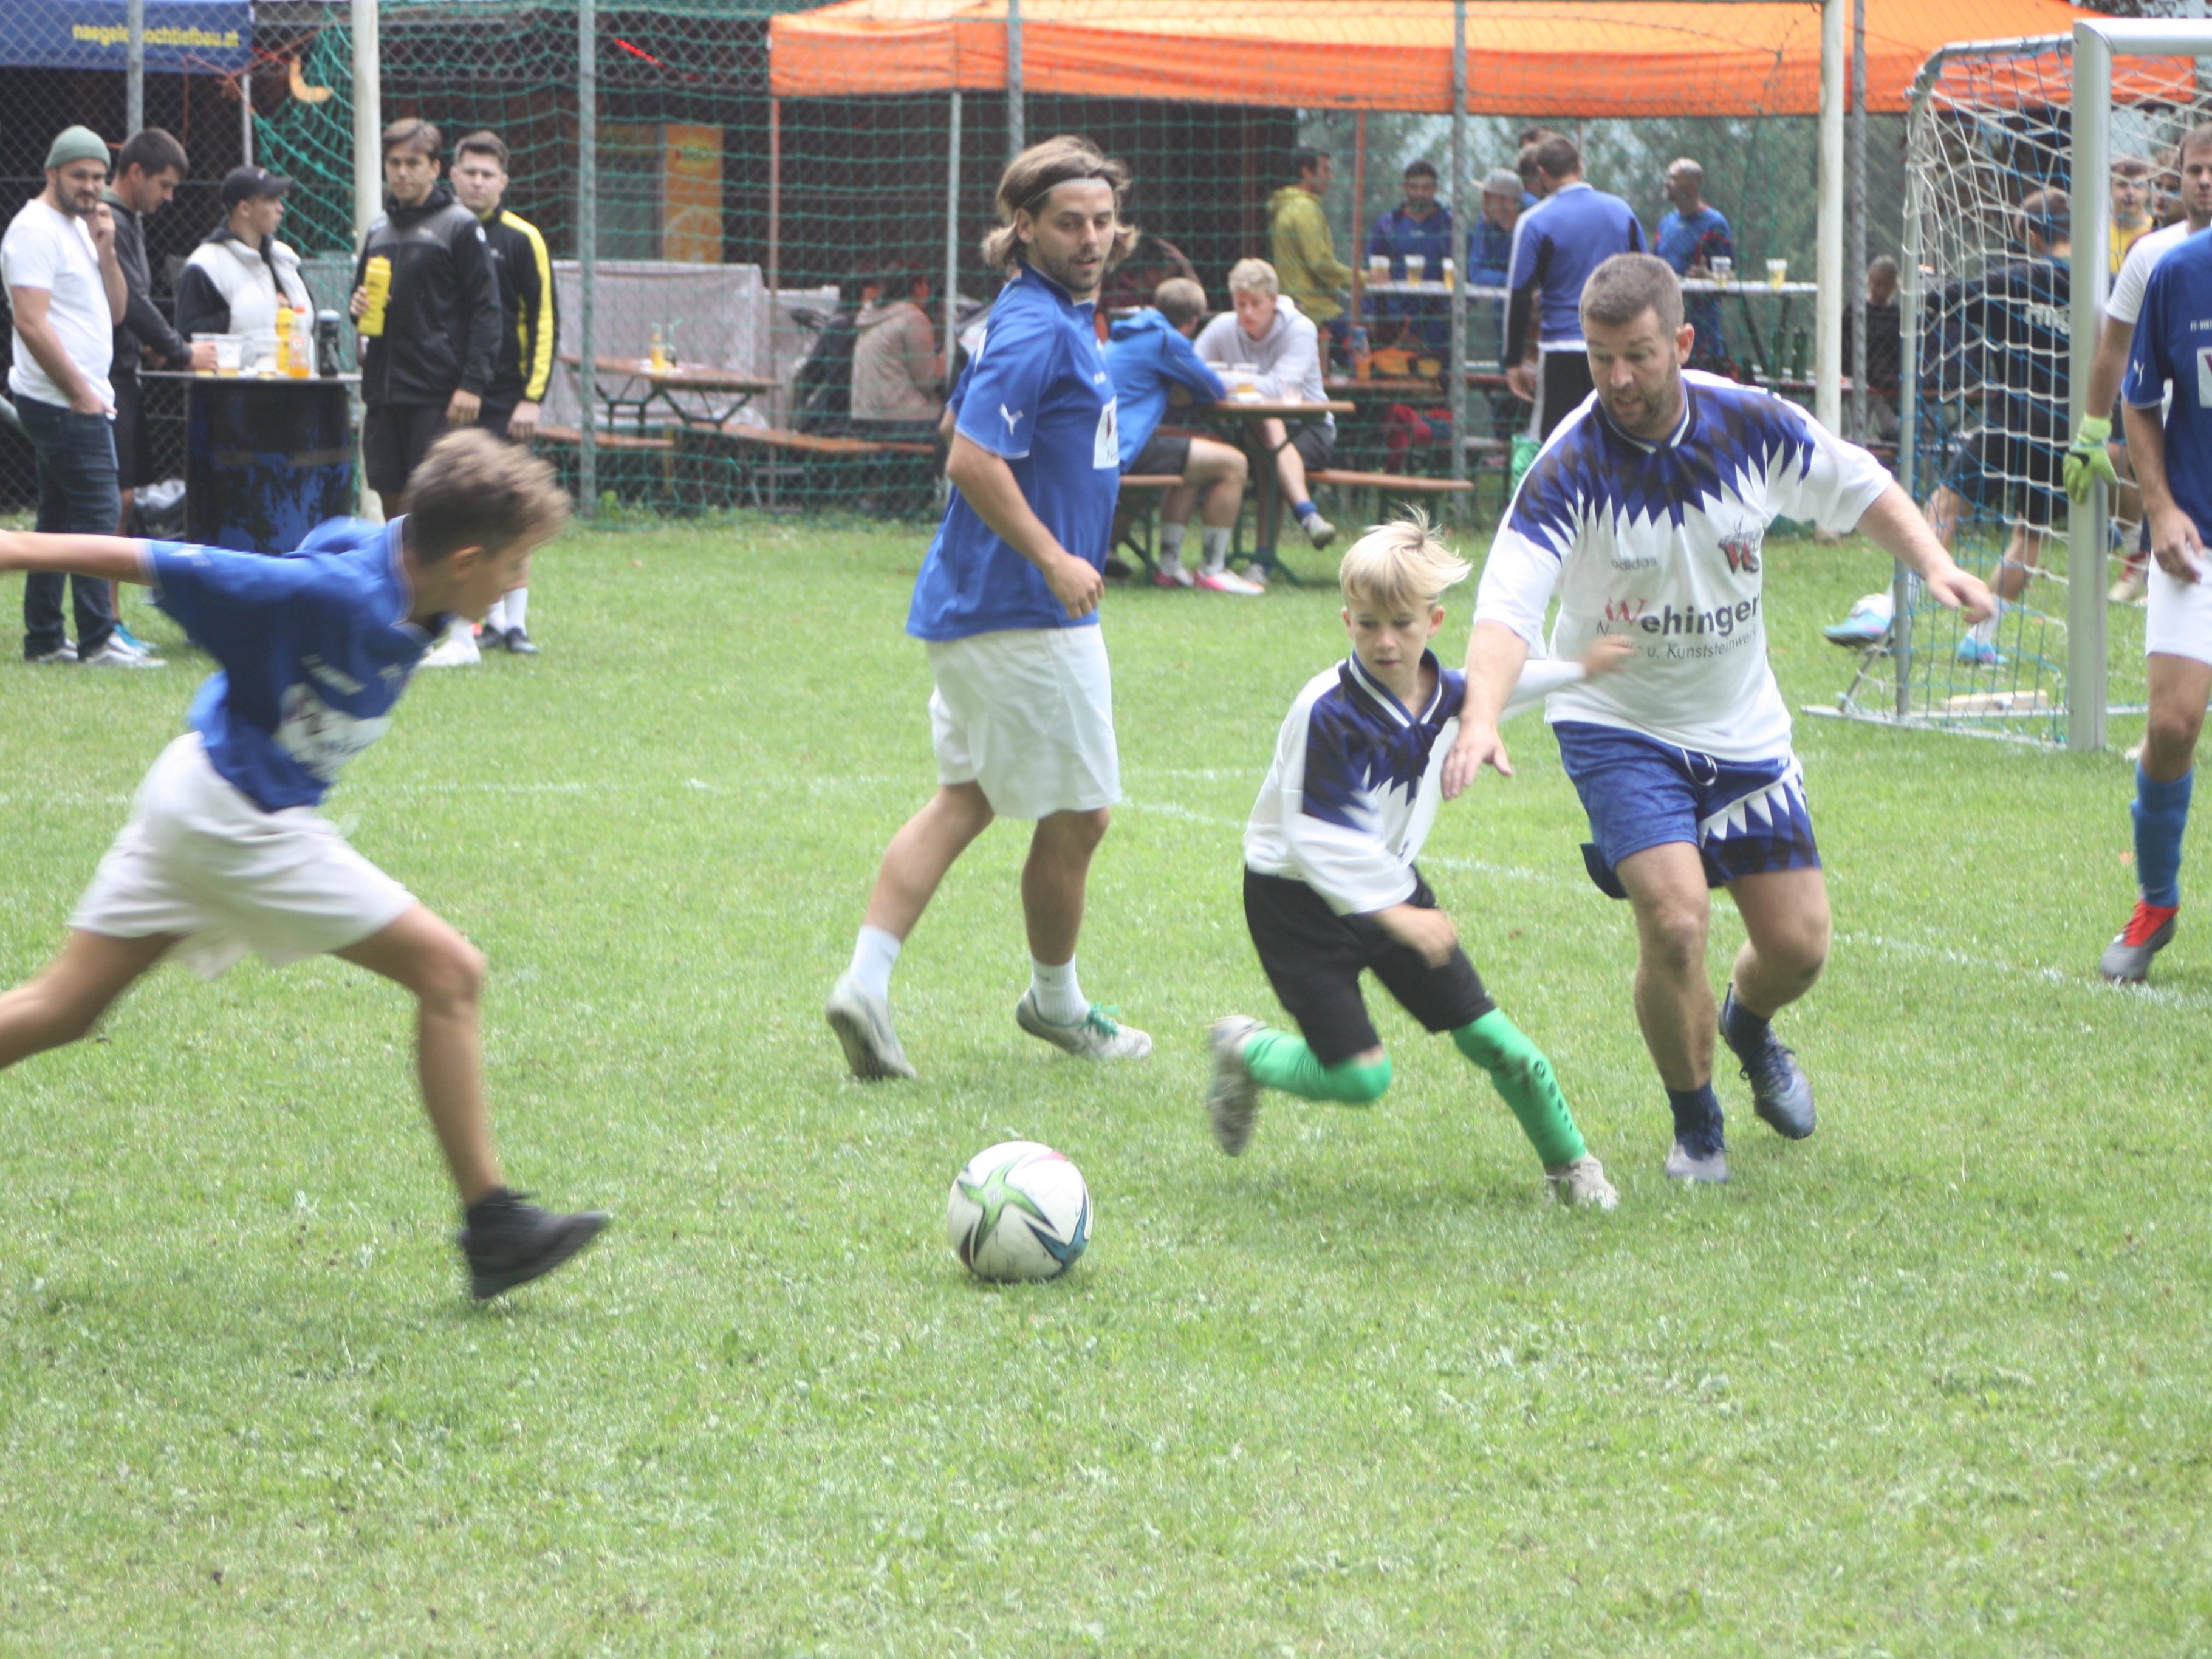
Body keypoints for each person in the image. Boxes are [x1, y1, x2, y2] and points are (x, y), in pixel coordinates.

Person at [0, 430, 605, 1299]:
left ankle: (495, 1226)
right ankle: (495, 1225)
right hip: (239, 817)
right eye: (516, 564)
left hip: (198, 785)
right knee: (452, 971)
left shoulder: (411, 570)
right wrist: (16, 546)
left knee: (60, 1008)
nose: (520, 582)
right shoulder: (330, 592)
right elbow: (167, 558)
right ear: (466, 558)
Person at [1442, 255, 1993, 1183]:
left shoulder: (1750, 423)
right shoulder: (1567, 465)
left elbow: (1859, 485)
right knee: (1675, 919)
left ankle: (1747, 1022)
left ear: (1682, 343)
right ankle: (1696, 1125)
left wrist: (1933, 565)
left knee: (1797, 946)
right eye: (1603, 358)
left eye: (1640, 356)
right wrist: (1482, 714)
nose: (1618, 379)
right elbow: (1505, 609)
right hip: (1617, 723)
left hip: (1741, 727)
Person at [824, 136, 1152, 1080]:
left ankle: (865, 983)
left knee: (964, 800)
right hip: (1024, 612)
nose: (1091, 238)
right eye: (1068, 223)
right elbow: (968, 455)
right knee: (1082, 813)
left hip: (972, 607)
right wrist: (1053, 555)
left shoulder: (1037, 315)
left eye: (1102, 221)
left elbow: (963, 420)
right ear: (1024, 226)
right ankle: (1057, 1006)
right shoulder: (1036, 324)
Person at [1204, 513, 1623, 1210]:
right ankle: (1245, 1052)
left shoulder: (1446, 692)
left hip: (1388, 887)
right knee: (1361, 1079)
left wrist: (1582, 667)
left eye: (1400, 622)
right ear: (1346, 620)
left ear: (1433, 621)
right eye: (1367, 624)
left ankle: (1571, 1167)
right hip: (1296, 901)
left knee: (1498, 1041)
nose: (1384, 640)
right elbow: (1317, 840)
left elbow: (1500, 688)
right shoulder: (1326, 711)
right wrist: (1398, 915)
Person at [2095, 215, 2212, 985]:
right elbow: (2137, 401)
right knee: (2170, 724)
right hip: (2193, 539)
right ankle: (2156, 902)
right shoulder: (2177, 271)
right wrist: (2159, 509)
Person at [1, 125, 145, 668]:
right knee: (99, 510)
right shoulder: (34, 230)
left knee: (58, 519)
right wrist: (81, 393)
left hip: (83, 397)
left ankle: (43, 639)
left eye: (98, 178)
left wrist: (107, 251)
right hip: (64, 401)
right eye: (79, 176)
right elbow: (31, 323)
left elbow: (115, 311)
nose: (90, 187)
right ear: (52, 174)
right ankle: (98, 639)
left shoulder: (82, 229)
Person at [1919, 187, 2070, 667]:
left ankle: (1893, 610)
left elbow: (1942, 300)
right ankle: (1981, 638)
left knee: (1945, 503)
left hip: (2009, 422)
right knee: (2030, 535)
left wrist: (1925, 279)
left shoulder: (2012, 280)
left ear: (2029, 233)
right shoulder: (2102, 284)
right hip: (2064, 432)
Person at [2066, 124, 2212, 606]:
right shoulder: (2150, 255)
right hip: (2171, 419)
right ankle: (2149, 557)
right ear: (2178, 177)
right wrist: (2091, 426)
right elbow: (2113, 347)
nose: (2205, 180)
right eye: (2195, 170)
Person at [348, 119, 501, 526]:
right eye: (394, 162)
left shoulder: (460, 225)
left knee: (435, 508)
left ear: (435, 168)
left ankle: (443, 591)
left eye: (413, 162)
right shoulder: (378, 229)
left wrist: (471, 384)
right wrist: (357, 305)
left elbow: (487, 310)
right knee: (389, 501)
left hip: (436, 392)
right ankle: (400, 590)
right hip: (383, 390)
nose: (401, 172)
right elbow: (357, 301)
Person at [103, 127, 214, 660]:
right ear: (136, 173)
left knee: (120, 501)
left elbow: (127, 302)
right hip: (104, 378)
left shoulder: (129, 222)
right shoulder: (109, 220)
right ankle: (105, 622)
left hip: (125, 370)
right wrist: (181, 349)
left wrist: (149, 347)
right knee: (113, 502)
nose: (169, 198)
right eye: (164, 186)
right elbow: (127, 300)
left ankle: (100, 620)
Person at [450, 129, 557, 656]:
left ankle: (515, 624)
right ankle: (482, 619)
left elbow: (543, 320)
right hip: (452, 394)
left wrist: (531, 396)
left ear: (503, 182)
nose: (477, 181)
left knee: (512, 510)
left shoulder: (522, 239)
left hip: (507, 396)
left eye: (487, 174)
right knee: (467, 508)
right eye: (469, 171)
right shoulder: (442, 232)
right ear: (453, 176)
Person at [1105, 276, 1252, 592]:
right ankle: (1214, 568)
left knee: (1192, 461)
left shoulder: (1131, 331)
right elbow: (1212, 388)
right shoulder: (1166, 340)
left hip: (1104, 441)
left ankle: (1169, 566)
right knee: (1233, 463)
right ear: (1193, 322)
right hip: (1125, 445)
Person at [1504, 134, 1646, 441]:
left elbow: (1518, 294)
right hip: (1615, 348)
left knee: (1556, 448)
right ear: (1580, 166)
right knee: (1619, 444)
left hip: (1561, 350)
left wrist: (1513, 361)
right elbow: (1648, 278)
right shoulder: (1621, 211)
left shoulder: (1535, 221)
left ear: (1542, 174)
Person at [1194, 258, 1337, 556]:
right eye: (1240, 303)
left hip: (1309, 426)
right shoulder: (1223, 326)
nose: (1246, 312)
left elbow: (1276, 388)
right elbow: (1193, 372)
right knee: (1256, 434)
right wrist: (1242, 380)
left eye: (1255, 304)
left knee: (1267, 454)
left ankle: (1261, 560)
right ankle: (1305, 515)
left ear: (1274, 301)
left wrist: (1223, 379)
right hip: (1246, 426)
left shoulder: (1300, 329)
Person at [173, 166, 312, 355]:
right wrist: (264, 308)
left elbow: (310, 321)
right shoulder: (204, 265)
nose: (281, 208)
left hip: (294, 379)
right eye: (271, 200)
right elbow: (188, 337)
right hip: (234, 383)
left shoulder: (285, 258)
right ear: (245, 208)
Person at [1267, 148, 1355, 366]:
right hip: (1315, 310)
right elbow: (1320, 262)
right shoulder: (1304, 208)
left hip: (1297, 306)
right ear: (1307, 172)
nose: (1331, 176)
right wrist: (1361, 278)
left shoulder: (1287, 206)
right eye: (1325, 170)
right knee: (1362, 356)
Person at [1364, 160, 1455, 357]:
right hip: (1393, 321)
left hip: (1436, 326)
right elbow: (1372, 271)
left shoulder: (1449, 225)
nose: (1420, 193)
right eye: (1414, 187)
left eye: (1426, 188)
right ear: (1405, 188)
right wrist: (1379, 321)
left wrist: (1438, 322)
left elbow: (1464, 276)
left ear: (1436, 189)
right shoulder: (1388, 224)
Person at [1652, 158, 1733, 372]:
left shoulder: (1715, 224)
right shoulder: (1666, 224)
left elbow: (1730, 274)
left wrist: (1707, 275)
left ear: (1691, 184)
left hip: (1702, 331)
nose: (1667, 183)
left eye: (1673, 178)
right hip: (1666, 326)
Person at [849, 267, 944, 437]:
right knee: (956, 426)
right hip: (900, 419)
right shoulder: (913, 317)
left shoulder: (871, 317)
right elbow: (927, 381)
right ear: (915, 287)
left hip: (863, 417)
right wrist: (946, 355)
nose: (928, 290)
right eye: (924, 283)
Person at [1840, 255, 1903, 442]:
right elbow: (1844, 344)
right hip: (1858, 380)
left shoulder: (1896, 315)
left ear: (1894, 286)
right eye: (1876, 284)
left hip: (1887, 385)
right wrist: (1845, 373)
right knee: (1858, 433)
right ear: (1868, 282)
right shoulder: (1856, 310)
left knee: (1894, 431)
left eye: (1885, 285)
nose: (1880, 290)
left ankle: (1888, 466)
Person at [1467, 167, 1530, 289]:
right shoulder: (1487, 221)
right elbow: (1477, 273)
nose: (1483, 203)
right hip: (1503, 297)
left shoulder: (1533, 219)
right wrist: (1512, 281)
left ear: (1508, 201)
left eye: (1488, 197)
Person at [2111, 154, 2156, 276]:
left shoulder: (2157, 233)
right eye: (2122, 184)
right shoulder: (2096, 235)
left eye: (2138, 186)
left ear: (2149, 192)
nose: (2130, 192)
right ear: (2110, 189)